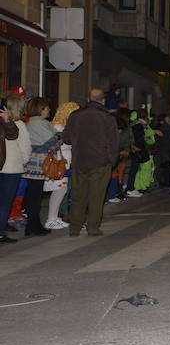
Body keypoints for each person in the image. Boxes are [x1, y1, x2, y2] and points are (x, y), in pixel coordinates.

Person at [62, 89, 119, 236]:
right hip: (100, 162)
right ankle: (93, 227)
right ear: (103, 100)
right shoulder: (107, 117)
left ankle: (75, 228)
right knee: (96, 196)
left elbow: (66, 138)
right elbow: (114, 142)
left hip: (79, 160)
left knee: (78, 195)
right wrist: (112, 160)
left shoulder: (75, 115)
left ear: (88, 99)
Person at [22, 97, 57, 236]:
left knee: (33, 195)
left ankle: (33, 225)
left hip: (32, 162)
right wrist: (58, 139)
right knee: (35, 196)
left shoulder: (33, 123)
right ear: (40, 109)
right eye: (47, 107)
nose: (49, 110)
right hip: (37, 163)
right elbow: (52, 143)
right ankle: (33, 226)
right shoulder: (40, 124)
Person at [44, 102, 79, 230]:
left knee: (61, 189)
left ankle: (54, 217)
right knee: (59, 189)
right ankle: (51, 218)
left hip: (64, 160)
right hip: (59, 161)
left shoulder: (62, 127)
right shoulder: (58, 127)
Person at [0, 94, 26, 244]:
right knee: (4, 203)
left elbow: (12, 134)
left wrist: (6, 120)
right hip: (9, 168)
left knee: (4, 202)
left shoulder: (9, 122)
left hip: (7, 167)